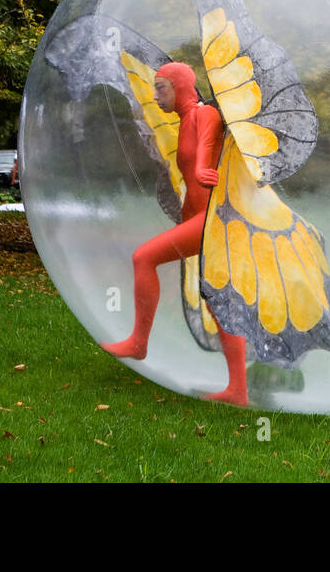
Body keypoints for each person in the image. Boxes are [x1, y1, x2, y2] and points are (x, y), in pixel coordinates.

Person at [99, 60, 248, 406]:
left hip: (212, 220)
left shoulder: (202, 113)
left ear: (180, 86)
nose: (154, 96)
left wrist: (200, 169)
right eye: (153, 88)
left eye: (160, 87)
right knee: (216, 302)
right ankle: (238, 390)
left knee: (144, 258)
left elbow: (209, 144)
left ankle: (138, 343)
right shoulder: (182, 122)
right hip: (197, 218)